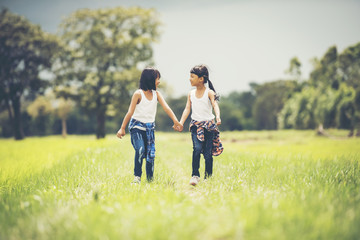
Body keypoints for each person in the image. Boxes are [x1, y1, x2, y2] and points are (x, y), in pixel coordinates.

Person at [117, 67, 183, 184]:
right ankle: (137, 177)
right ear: (150, 79)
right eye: (157, 79)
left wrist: (175, 121)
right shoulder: (138, 94)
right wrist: (122, 128)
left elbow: (166, 108)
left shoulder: (156, 94)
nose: (159, 81)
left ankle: (150, 180)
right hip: (136, 127)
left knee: (150, 154)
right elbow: (130, 112)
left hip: (149, 128)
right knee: (140, 149)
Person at [179, 64, 224, 186]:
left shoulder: (209, 92)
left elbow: (215, 105)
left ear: (201, 79)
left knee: (208, 154)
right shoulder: (191, 94)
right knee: (197, 149)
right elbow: (187, 109)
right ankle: (195, 175)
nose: (190, 79)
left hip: (209, 126)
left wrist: (218, 116)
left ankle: (208, 177)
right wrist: (181, 122)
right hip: (195, 126)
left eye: (192, 76)